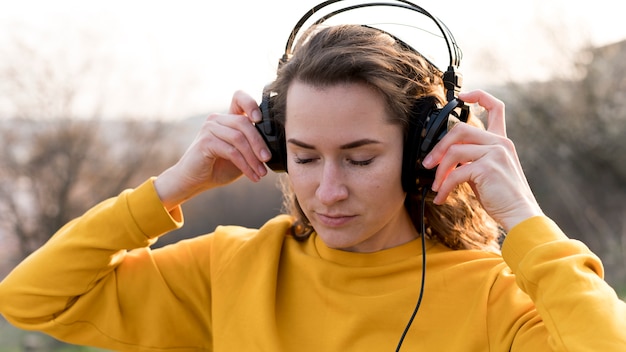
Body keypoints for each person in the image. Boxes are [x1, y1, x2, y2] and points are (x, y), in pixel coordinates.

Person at [1, 17, 625, 352]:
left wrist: (524, 219)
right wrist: (169, 188)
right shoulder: (231, 270)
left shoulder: (497, 299)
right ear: (275, 148)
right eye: (303, 156)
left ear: (423, 153)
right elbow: (30, 300)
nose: (326, 191)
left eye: (359, 160)